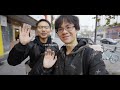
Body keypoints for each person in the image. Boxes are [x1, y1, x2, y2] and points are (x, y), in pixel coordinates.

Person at [29, 15, 109, 75]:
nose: (64, 32)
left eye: (68, 27)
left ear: (77, 29)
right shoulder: (56, 55)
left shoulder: (91, 55)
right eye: (60, 29)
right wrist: (45, 68)